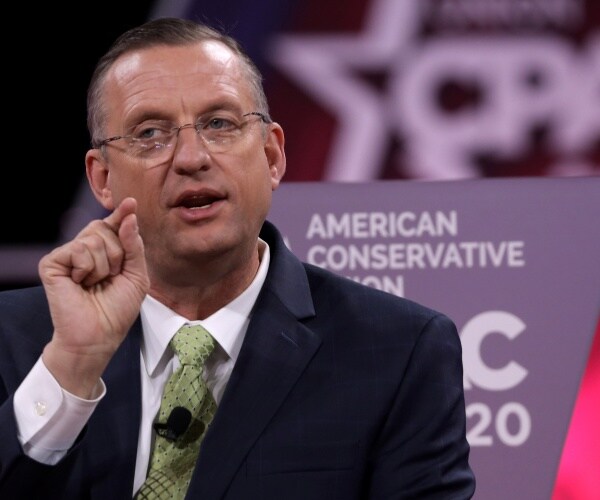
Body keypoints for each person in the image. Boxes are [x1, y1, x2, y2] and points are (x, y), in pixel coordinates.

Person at [0, 17, 475, 499]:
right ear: (101, 178)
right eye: (149, 134)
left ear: (272, 156)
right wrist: (71, 368)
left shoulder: (397, 351)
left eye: (220, 124)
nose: (191, 157)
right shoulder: (15, 339)